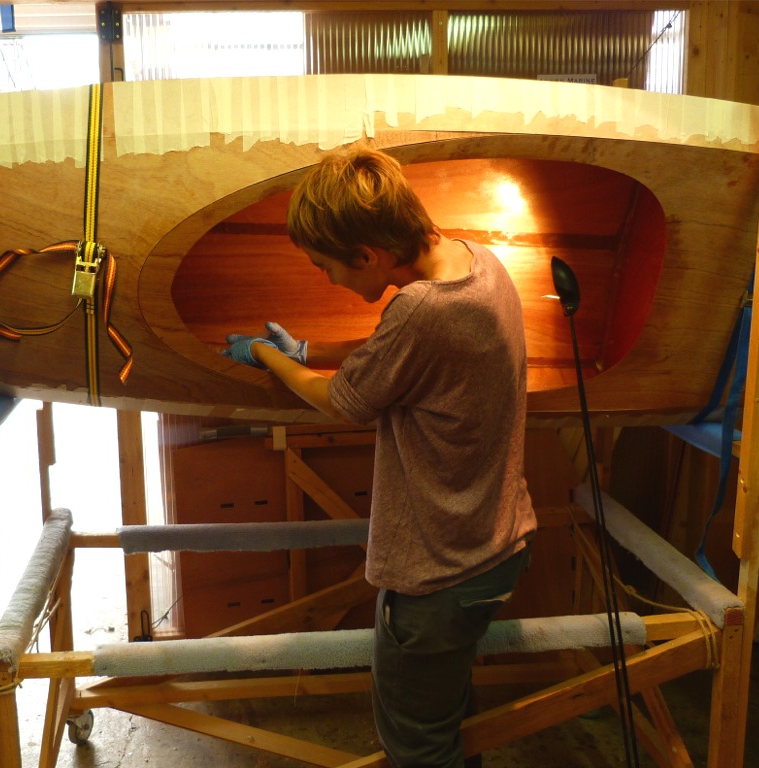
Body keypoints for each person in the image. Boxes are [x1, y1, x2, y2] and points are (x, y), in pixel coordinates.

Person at [224, 144, 536, 768]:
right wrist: (312, 348)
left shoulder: (420, 308)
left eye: (326, 267)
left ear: (367, 255)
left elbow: (340, 399)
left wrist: (267, 356)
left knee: (418, 747)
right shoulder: (478, 259)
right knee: (447, 721)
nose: (329, 280)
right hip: (494, 546)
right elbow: (397, 355)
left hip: (439, 575)